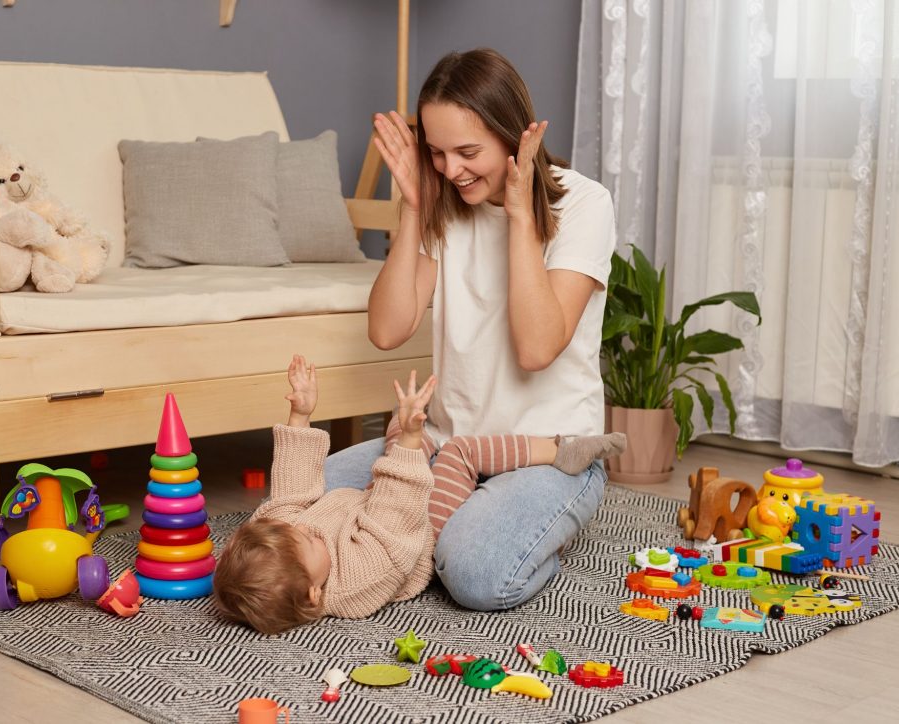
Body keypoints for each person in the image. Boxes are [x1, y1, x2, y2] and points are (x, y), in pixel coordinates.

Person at [325, 48, 622, 612]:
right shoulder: (445, 201)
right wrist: (413, 207)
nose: (451, 169)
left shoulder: (584, 202)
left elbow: (536, 349)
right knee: (310, 494)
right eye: (436, 153)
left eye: (467, 152)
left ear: (512, 136)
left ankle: (508, 531)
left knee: (475, 574)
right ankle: (461, 515)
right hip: (444, 448)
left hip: (546, 453)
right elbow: (388, 330)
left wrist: (519, 217)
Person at [213, 355, 617, 634]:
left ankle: (439, 457)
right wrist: (408, 443)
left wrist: (300, 414)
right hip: (415, 527)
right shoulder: (356, 580)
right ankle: (561, 451)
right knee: (459, 453)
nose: (307, 529)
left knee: (398, 432)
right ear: (314, 592)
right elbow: (393, 517)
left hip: (378, 504)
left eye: (297, 531)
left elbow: (290, 496)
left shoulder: (293, 547)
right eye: (308, 541)